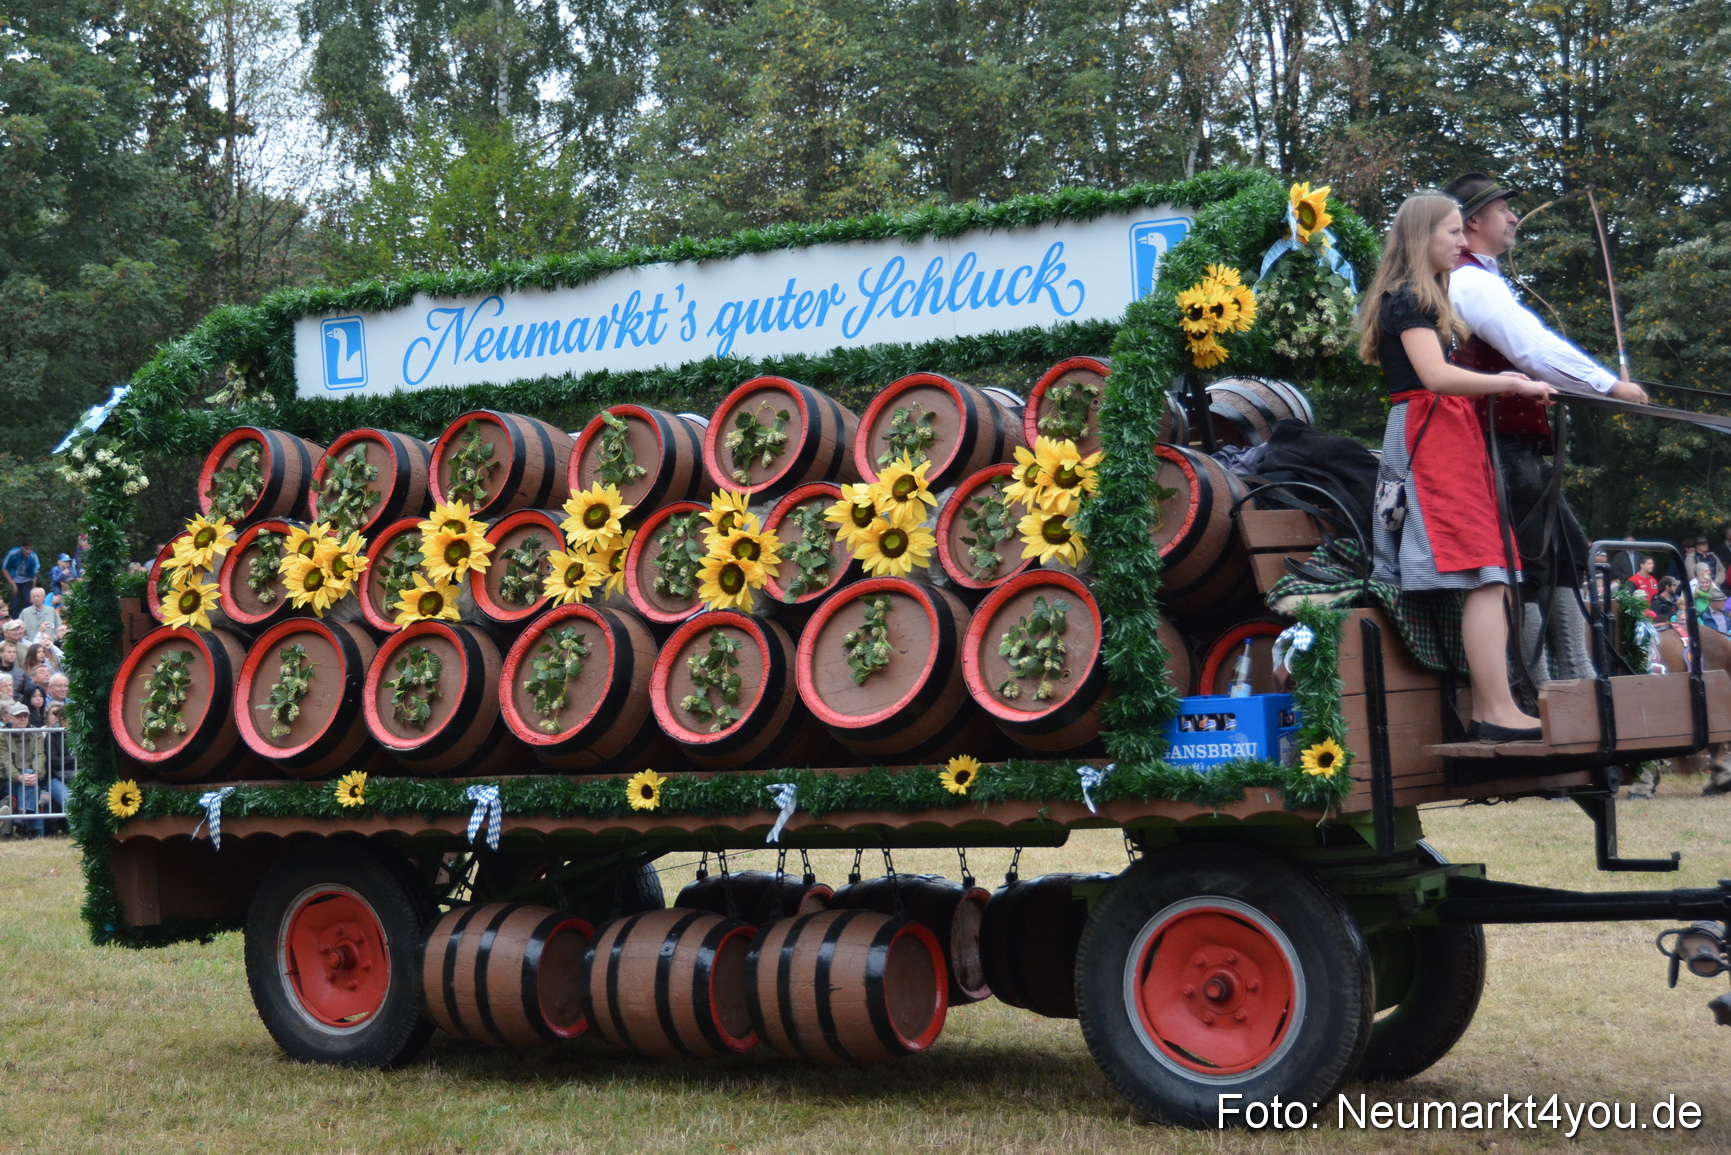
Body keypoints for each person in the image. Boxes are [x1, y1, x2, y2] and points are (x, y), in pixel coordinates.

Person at [1363, 192, 1557, 741]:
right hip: (1432, 438)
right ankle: (1493, 710)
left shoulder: (1421, 298)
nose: (1461, 241)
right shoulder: (1410, 299)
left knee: (1494, 574)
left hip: (1445, 433)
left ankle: (1498, 706)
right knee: (1486, 573)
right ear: (1420, 236)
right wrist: (1509, 383)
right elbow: (1435, 378)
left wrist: (1506, 385)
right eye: (1452, 232)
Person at [1443, 173, 1650, 689]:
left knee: (1565, 557)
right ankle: (1541, 687)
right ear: (1474, 221)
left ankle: (1574, 675)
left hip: (1514, 449)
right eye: (1503, 209)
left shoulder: (1478, 278)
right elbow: (1533, 349)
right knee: (1533, 565)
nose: (1514, 217)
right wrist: (1608, 386)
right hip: (1497, 448)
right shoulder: (1470, 281)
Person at [1, 700, 62, 838]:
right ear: (10, 718)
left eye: (25, 716)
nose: (23, 719)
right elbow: (5, 762)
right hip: (10, 781)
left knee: (31, 784)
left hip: (32, 779)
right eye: (18, 716)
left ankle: (23, 815)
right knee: (33, 789)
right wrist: (19, 777)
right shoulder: (2, 735)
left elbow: (39, 755)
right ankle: (34, 832)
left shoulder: (36, 732)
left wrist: (36, 775)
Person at [1, 542, 37, 618]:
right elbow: (4, 568)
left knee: (28, 601)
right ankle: (13, 622)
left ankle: (28, 620)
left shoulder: (33, 556)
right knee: (14, 603)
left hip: (27, 579)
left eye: (30, 549)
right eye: (26, 549)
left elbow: (35, 573)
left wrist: (33, 589)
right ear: (22, 547)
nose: (28, 551)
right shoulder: (12, 553)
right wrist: (12, 584)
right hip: (13, 579)